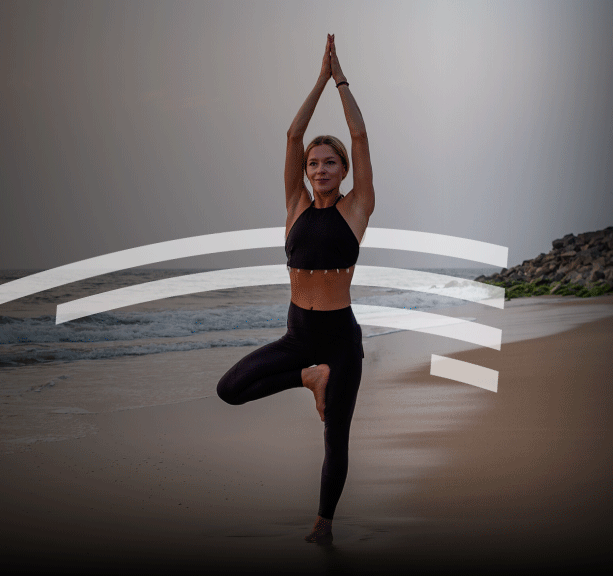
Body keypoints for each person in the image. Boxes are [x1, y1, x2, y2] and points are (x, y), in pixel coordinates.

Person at [216, 34, 374, 546]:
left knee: (336, 437)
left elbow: (360, 136)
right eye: (313, 164)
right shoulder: (295, 207)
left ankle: (323, 525)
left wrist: (342, 80)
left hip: (340, 340)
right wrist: (319, 79)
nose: (320, 169)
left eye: (330, 162)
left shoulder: (356, 209)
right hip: (299, 337)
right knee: (229, 389)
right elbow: (291, 135)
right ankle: (310, 379)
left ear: (343, 171)